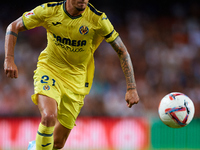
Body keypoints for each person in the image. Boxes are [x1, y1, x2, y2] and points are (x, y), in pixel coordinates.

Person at [4, 0, 140, 149]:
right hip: (50, 70)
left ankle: (35, 146)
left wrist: (131, 87)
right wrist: (9, 59)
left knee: (57, 143)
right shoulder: (49, 11)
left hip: (77, 81)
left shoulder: (98, 19)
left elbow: (122, 51)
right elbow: (13, 26)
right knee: (49, 116)